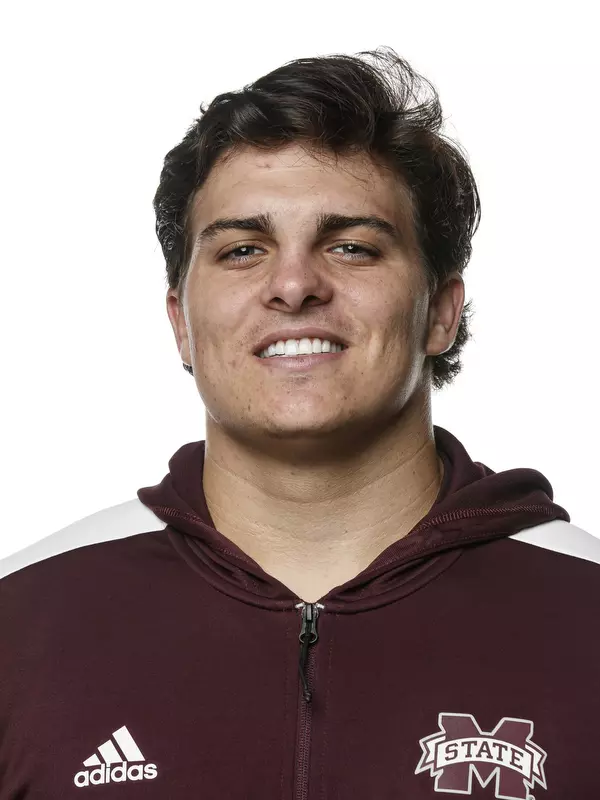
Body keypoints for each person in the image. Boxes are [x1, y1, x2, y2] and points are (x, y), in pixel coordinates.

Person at [1, 46, 598, 800]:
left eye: (351, 246)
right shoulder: (21, 624)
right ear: (181, 320)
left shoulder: (586, 617)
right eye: (243, 250)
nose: (292, 286)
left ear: (441, 311)